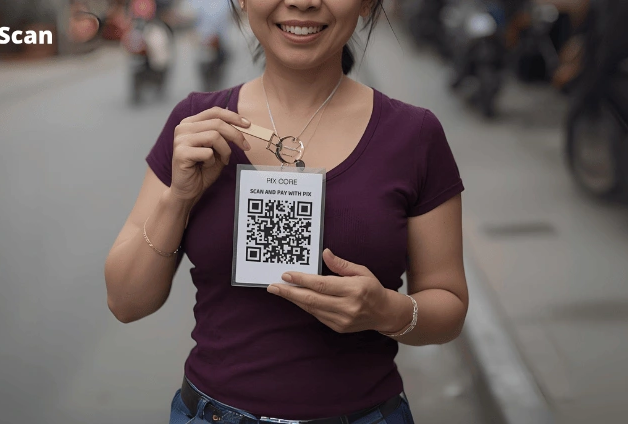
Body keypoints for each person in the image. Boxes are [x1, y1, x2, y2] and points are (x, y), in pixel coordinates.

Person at [103, 0, 469, 421]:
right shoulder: (197, 126)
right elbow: (125, 303)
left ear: (367, 4)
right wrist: (178, 198)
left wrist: (388, 312)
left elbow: (450, 306)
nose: (303, 1)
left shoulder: (415, 135)